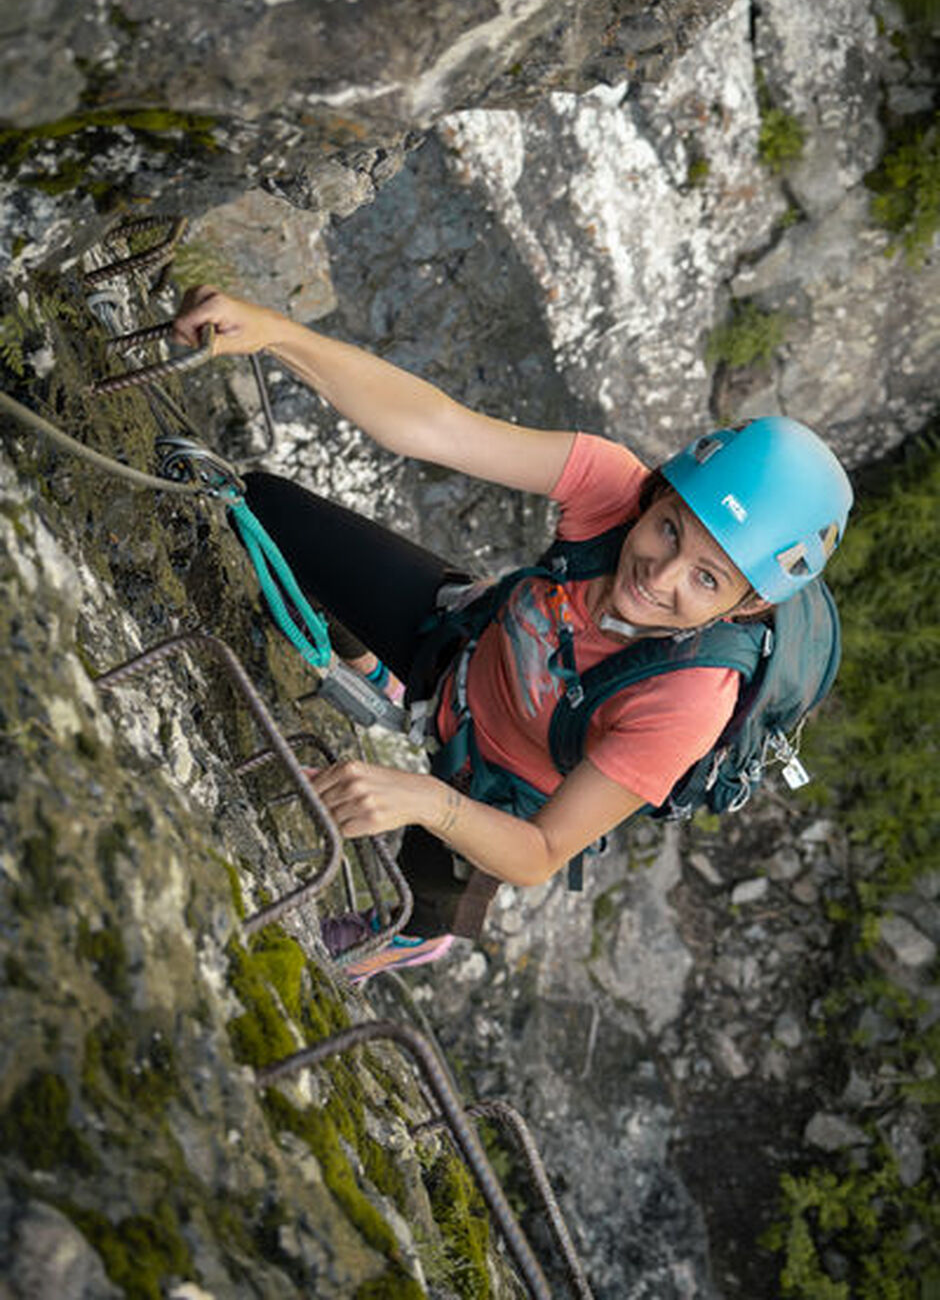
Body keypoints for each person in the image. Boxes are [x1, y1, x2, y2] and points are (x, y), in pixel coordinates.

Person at [174, 287, 853, 981]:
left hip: (501, 792)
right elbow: (437, 426)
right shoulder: (615, 490)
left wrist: (427, 800)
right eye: (669, 528)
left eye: (707, 580)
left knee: (425, 892)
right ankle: (384, 673)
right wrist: (275, 334)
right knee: (266, 508)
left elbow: (539, 851)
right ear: (656, 495)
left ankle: (411, 935)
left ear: (743, 608)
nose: (660, 574)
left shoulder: (687, 701)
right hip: (460, 645)